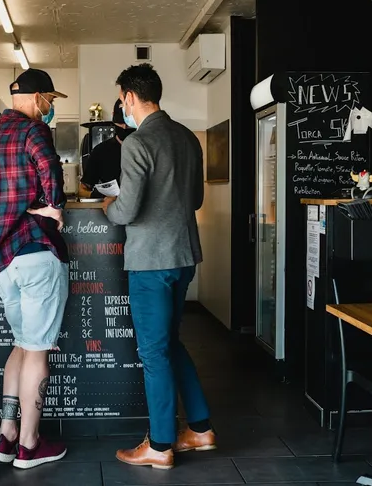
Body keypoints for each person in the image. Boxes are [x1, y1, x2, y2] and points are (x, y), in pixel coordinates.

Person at [103, 63, 214, 470]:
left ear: (129, 97)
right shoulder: (187, 138)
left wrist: (108, 207)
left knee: (153, 352)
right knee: (171, 342)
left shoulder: (137, 143)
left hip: (151, 262)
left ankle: (161, 444)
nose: (122, 105)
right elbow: (196, 200)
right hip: (184, 258)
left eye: (121, 98)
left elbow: (128, 209)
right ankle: (200, 429)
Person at [0, 68, 69, 470]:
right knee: (36, 349)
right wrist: (55, 205)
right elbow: (51, 170)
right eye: (49, 101)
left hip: (1, 261)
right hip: (34, 252)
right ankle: (29, 445)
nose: (49, 109)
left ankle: (7, 434)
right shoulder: (34, 131)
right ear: (36, 99)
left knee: (20, 343)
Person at [79, 98, 136, 198]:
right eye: (120, 122)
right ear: (113, 117)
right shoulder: (100, 152)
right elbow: (82, 189)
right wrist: (95, 195)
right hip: (109, 210)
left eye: (128, 124)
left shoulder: (145, 150)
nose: (124, 127)